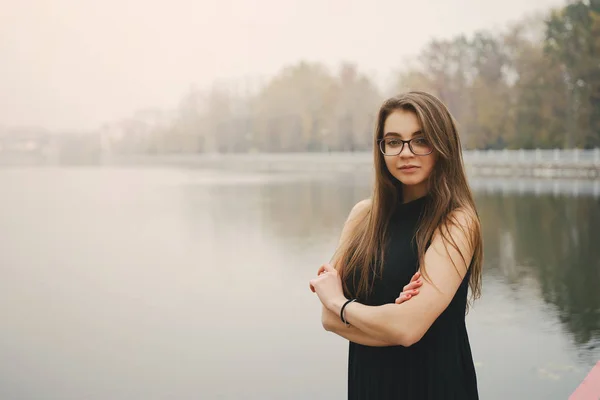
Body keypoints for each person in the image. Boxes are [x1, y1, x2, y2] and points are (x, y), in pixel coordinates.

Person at [309, 91, 483, 399]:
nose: (405, 152)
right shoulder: (363, 216)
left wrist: (342, 304)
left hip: (433, 384)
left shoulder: (456, 221)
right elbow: (328, 320)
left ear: (443, 145)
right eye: (393, 141)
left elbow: (406, 329)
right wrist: (389, 319)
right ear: (382, 149)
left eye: (420, 140)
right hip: (370, 384)